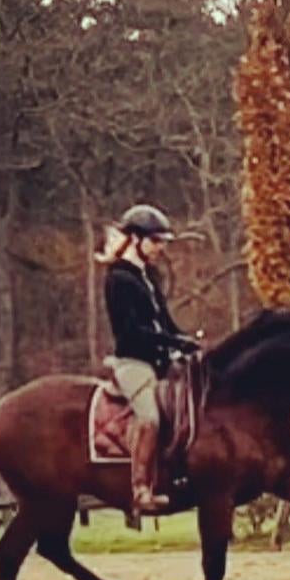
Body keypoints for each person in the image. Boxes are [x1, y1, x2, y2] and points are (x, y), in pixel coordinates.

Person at [98, 204, 200, 514]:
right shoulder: (118, 279)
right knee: (150, 417)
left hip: (159, 361)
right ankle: (141, 489)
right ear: (134, 239)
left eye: (162, 242)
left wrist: (187, 343)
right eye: (156, 241)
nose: (160, 248)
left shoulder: (147, 276)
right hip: (134, 364)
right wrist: (172, 341)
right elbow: (133, 332)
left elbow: (164, 322)